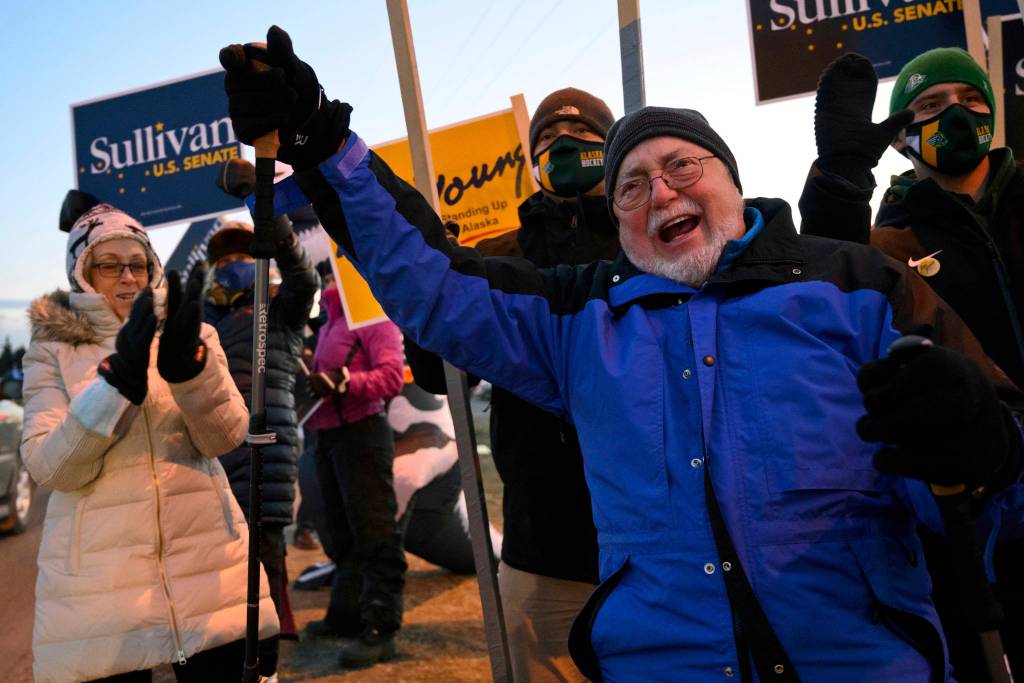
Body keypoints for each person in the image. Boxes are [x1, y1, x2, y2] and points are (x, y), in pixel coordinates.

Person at [222, 28, 1024, 681]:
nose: (660, 191)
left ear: (731, 180)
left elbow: (994, 484)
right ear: (620, 220)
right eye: (631, 186)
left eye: (681, 166)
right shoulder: (580, 318)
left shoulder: (857, 285)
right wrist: (324, 139)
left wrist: (987, 445)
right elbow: (433, 279)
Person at [799, 48, 1024, 680]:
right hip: (978, 509)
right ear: (900, 137)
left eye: (971, 99)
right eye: (930, 105)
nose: (956, 113)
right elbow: (829, 278)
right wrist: (839, 180)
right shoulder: (890, 242)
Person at [406, 87, 618, 682]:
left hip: (659, 540)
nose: (561, 145)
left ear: (613, 148)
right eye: (546, 138)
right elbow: (439, 375)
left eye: (581, 135)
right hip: (542, 542)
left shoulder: (649, 238)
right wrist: (433, 286)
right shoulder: (503, 254)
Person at [21, 204, 278, 682]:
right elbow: (53, 469)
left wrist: (190, 374)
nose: (128, 277)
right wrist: (114, 387)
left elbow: (225, 437)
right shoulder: (52, 349)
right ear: (81, 273)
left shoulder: (191, 331)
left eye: (137, 264)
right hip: (100, 591)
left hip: (209, 571)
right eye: (109, 264)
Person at [203, 216, 319, 678]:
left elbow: (304, 280)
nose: (231, 265)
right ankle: (229, 653)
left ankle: (266, 665)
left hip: (269, 450)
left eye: (241, 257)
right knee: (221, 560)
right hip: (218, 451)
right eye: (224, 260)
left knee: (265, 559)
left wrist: (281, 234)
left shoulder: (282, 312)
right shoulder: (209, 320)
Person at [301, 279, 406, 668]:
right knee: (342, 533)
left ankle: (382, 628)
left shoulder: (371, 316)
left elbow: (393, 377)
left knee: (375, 533)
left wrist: (345, 380)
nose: (332, 272)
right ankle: (347, 614)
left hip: (362, 434)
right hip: (328, 436)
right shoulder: (331, 316)